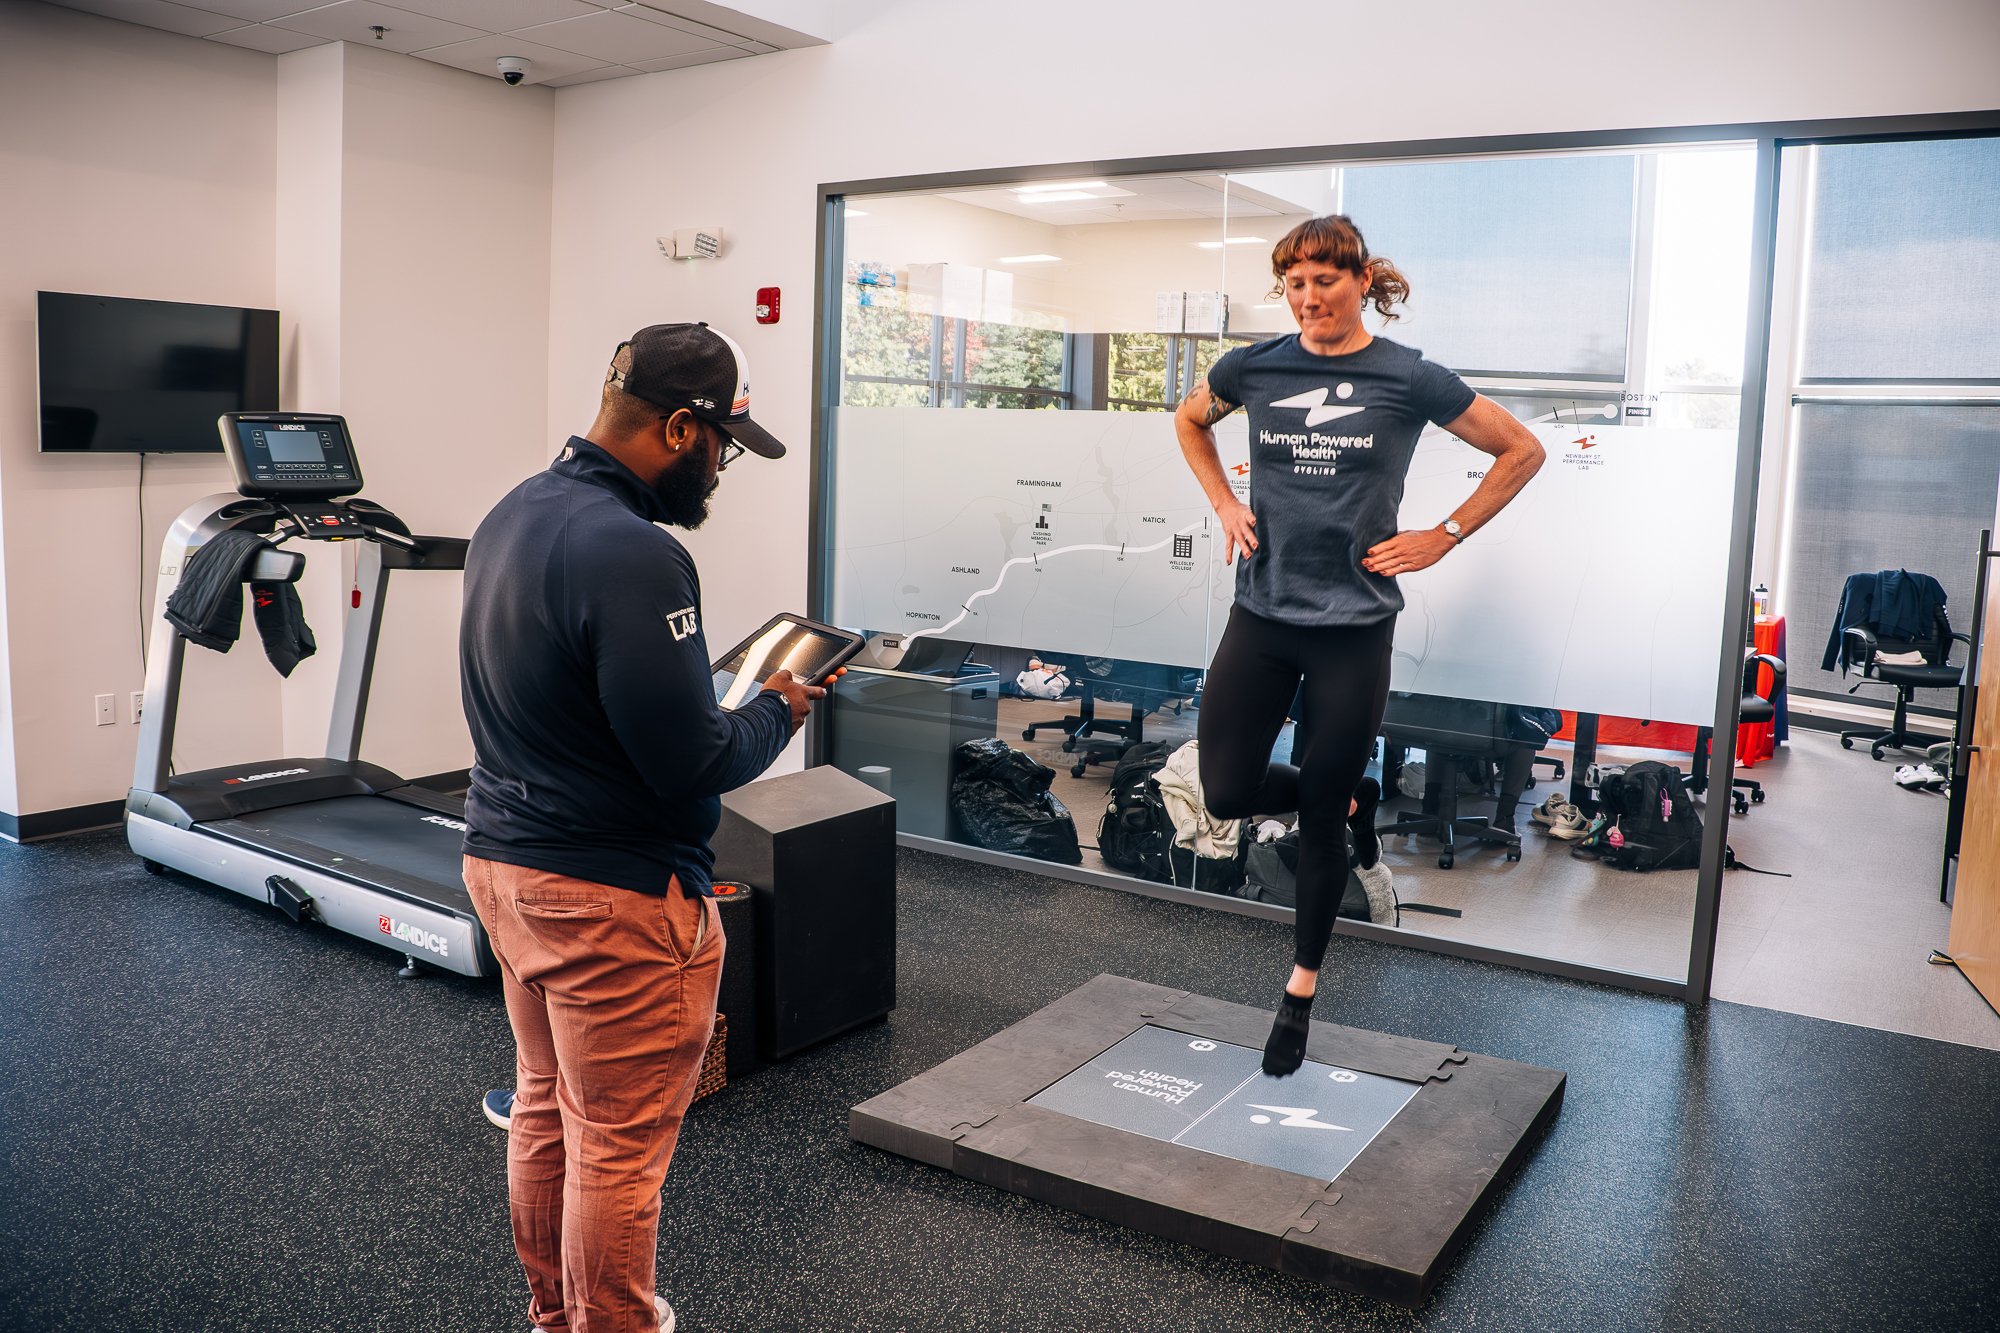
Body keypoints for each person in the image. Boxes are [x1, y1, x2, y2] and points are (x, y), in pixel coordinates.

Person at [460, 322, 829, 1333]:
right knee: (616, 1145)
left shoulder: (515, 511)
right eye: (720, 448)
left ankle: (554, 1316)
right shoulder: (636, 551)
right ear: (678, 427)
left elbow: (588, 697)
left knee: (544, 1106)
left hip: (504, 866)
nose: (720, 472)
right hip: (608, 896)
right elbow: (694, 761)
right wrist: (779, 711)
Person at [1174, 215, 1545, 1076]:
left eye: (1326, 282)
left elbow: (1520, 450)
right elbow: (1191, 423)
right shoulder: (1256, 367)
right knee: (1225, 787)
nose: (1310, 299)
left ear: (1360, 280)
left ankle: (1299, 989)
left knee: (1314, 827)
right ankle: (1344, 795)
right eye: (1295, 284)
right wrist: (1225, 504)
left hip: (1353, 629)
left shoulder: (1407, 377)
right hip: (1262, 616)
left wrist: (1443, 534)